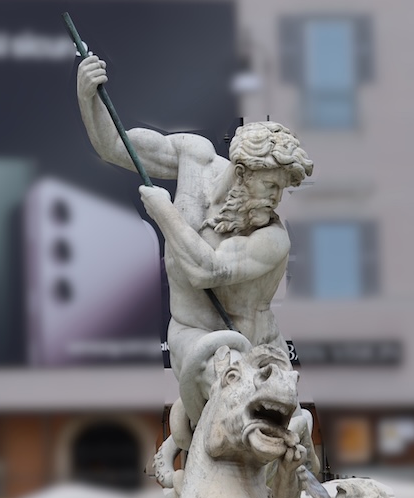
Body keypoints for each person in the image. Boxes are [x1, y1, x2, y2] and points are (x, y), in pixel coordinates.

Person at [76, 54, 314, 452]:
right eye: (270, 186)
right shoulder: (194, 156)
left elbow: (208, 271)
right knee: (220, 395)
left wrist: (164, 213)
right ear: (242, 173)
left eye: (281, 190)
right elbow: (115, 146)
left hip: (255, 343)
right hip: (191, 333)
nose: (276, 200)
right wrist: (89, 97)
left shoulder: (273, 236)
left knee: (271, 437)